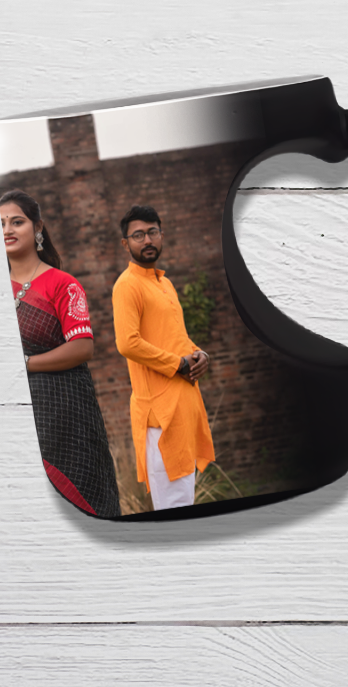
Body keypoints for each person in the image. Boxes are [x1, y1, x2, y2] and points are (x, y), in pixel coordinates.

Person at [0, 189, 120, 518]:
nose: (7, 230)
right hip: (11, 412)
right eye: (0, 224)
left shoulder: (62, 284)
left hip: (65, 413)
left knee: (77, 497)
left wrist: (26, 364)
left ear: (38, 228)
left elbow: (83, 347)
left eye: (17, 222)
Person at [111, 205, 215, 511]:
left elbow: (175, 337)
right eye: (138, 235)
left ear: (162, 234)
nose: (147, 241)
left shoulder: (164, 283)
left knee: (184, 501)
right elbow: (127, 343)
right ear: (125, 244)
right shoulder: (127, 286)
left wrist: (199, 354)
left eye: (152, 232)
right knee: (173, 509)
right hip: (159, 415)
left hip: (183, 407)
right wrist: (178, 365)